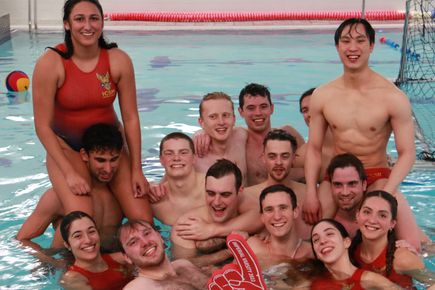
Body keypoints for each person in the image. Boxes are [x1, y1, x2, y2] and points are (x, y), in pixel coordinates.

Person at [31, 0, 152, 226]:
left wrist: (137, 169)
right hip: (68, 149)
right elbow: (42, 126)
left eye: (94, 18)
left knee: (143, 220)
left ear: (102, 22)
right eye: (79, 19)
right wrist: (68, 173)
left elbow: (131, 118)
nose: (88, 26)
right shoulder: (51, 63)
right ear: (67, 24)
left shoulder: (118, 60)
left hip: (109, 149)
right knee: (83, 223)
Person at [303, 18, 417, 248]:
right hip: (336, 178)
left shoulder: (392, 97)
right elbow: (314, 148)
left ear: (371, 46)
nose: (352, 48)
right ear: (337, 47)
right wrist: (311, 192)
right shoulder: (323, 95)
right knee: (309, 241)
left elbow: (407, 153)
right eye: (346, 41)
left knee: (411, 245)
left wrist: (387, 192)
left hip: (378, 177)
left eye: (360, 41)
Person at [17, 123, 124, 251]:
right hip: (67, 264)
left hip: (114, 260)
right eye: (100, 160)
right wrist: (48, 261)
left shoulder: (122, 195)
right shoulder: (58, 197)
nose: (108, 169)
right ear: (85, 155)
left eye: (113, 160)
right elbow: (21, 240)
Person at [195, 83, 305, 186]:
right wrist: (201, 132)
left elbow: (313, 165)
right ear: (241, 112)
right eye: (251, 108)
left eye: (263, 106)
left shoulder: (289, 135)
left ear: (272, 108)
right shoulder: (239, 138)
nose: (258, 113)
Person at [171, 159, 261, 265]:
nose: (217, 202)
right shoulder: (186, 225)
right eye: (211, 193)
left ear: (240, 191)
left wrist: (211, 230)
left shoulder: (247, 204)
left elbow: (261, 216)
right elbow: (182, 266)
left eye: (225, 194)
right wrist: (229, 252)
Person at [326, 153, 423, 244]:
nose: (345, 192)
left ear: (364, 185)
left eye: (352, 184)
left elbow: (417, 248)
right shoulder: (326, 214)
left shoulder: (387, 206)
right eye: (338, 184)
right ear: (330, 186)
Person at [351, 190, 434, 289]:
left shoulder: (402, 259)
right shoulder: (350, 250)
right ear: (357, 215)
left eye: (382, 215)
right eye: (367, 212)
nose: (372, 220)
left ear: (392, 224)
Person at [244, 129, 310, 238]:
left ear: (294, 158)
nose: (278, 162)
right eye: (272, 156)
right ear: (263, 158)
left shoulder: (309, 195)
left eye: (284, 156)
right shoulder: (248, 196)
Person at [310, 219, 400, 289]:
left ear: (347, 242)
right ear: (316, 254)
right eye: (316, 240)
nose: (322, 241)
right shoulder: (309, 281)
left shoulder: (370, 280)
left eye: (329, 234)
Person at [118, 219, 208, 290]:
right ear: (127, 258)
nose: (145, 242)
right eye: (133, 242)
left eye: (147, 233)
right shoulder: (136, 288)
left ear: (160, 237)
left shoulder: (184, 265)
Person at [59, 211, 132, 290]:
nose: (88, 240)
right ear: (68, 245)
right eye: (78, 236)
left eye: (91, 231)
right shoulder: (72, 280)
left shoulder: (121, 260)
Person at [247, 184, 313, 269]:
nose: (277, 217)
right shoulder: (252, 248)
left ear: (295, 212)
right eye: (269, 210)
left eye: (283, 208)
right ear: (262, 217)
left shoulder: (312, 253)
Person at [150, 132, 206, 226]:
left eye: (183, 153)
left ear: (194, 158)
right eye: (169, 153)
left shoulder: (214, 188)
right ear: (161, 160)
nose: (176, 158)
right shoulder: (155, 202)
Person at [195, 92, 248, 184]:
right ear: (201, 122)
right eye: (213, 117)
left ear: (234, 119)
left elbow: (268, 133)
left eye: (225, 115)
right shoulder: (192, 155)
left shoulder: (241, 136)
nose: (221, 122)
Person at [293, 87, 334, 181]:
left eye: (314, 107)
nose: (310, 114)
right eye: (305, 110)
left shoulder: (350, 142)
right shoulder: (303, 154)